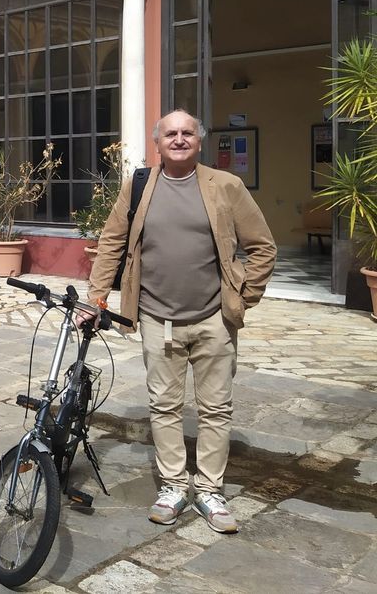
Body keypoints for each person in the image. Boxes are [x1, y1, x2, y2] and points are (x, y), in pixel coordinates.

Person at [85, 109, 276, 533]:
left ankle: (209, 490)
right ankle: (173, 486)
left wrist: (245, 298)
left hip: (213, 320)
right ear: (158, 143)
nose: (178, 138)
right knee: (165, 407)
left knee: (215, 409)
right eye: (170, 133)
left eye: (187, 132)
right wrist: (96, 297)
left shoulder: (226, 186)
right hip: (156, 318)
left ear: (200, 140)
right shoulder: (137, 186)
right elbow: (112, 241)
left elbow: (263, 246)